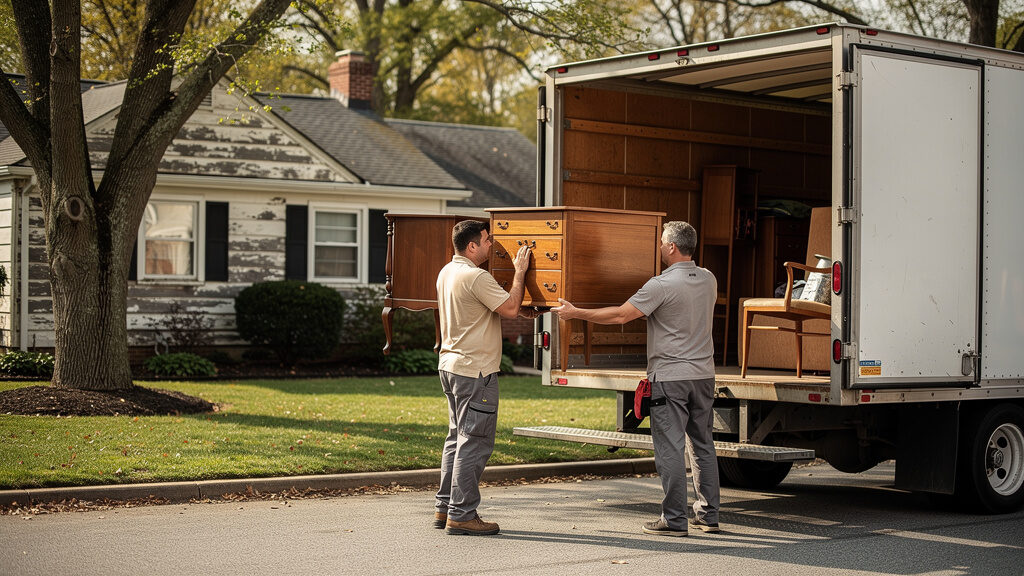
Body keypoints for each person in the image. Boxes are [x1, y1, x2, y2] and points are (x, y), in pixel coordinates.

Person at [551, 220, 720, 537]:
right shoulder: (708, 279)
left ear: (671, 247)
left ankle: (673, 520)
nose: (659, 248)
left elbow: (619, 315)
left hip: (671, 377)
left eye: (661, 243)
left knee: (669, 448)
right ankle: (709, 516)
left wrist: (576, 312)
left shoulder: (662, 284)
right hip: (704, 375)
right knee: (702, 445)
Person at [434, 219, 534, 536]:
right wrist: (519, 272)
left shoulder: (447, 272)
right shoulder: (476, 276)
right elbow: (509, 307)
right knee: (474, 443)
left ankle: (445, 508)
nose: (492, 245)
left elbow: (489, 309)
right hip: (476, 371)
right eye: (488, 240)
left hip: (451, 366)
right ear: (472, 245)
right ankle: (462, 515)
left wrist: (520, 308)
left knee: (456, 440)